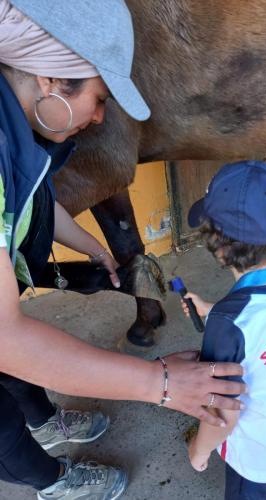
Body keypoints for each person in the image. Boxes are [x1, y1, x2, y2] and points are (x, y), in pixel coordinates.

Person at [0, 1, 245, 499]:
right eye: (100, 97)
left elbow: (31, 196)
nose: (98, 118)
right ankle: (53, 483)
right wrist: (162, 385)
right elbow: (6, 337)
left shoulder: (16, 125)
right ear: (50, 80)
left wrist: (91, 245)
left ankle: (45, 424)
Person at [181, 160, 266, 500]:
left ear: (222, 246)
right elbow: (263, 329)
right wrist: (212, 309)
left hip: (262, 463)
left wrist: (198, 452)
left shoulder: (227, 325)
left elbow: (222, 413)